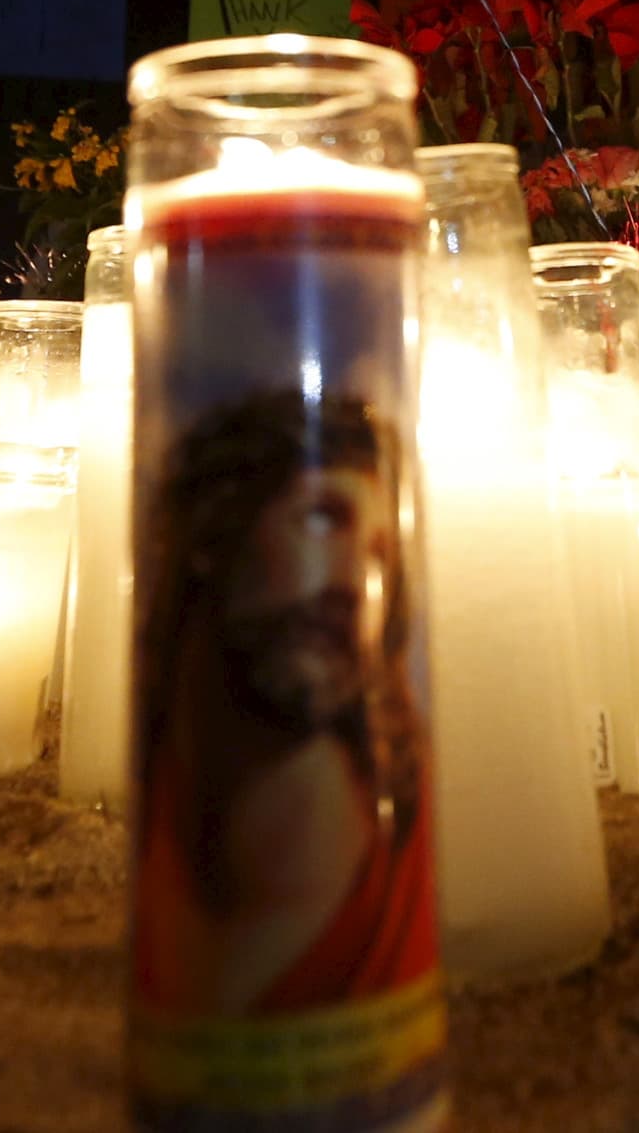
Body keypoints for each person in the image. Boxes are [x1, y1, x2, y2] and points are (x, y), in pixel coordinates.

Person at [132, 388, 435, 1018]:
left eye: (382, 555)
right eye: (323, 519)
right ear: (216, 530)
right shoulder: (165, 807)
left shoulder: (391, 852)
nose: (356, 585)